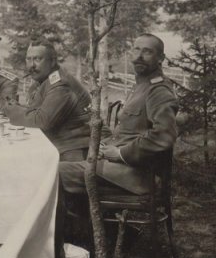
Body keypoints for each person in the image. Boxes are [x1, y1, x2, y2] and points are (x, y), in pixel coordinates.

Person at [60, 32, 179, 196]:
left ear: (161, 58)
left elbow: (164, 135)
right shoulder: (140, 86)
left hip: (134, 174)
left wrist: (120, 154)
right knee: (64, 156)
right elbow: (130, 132)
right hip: (116, 165)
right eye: (136, 50)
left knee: (53, 172)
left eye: (147, 51)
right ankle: (83, 213)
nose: (139, 56)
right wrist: (105, 145)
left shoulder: (158, 90)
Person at [4, 38, 91, 162]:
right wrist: (20, 108)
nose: (32, 65)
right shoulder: (43, 81)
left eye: (38, 59)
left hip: (73, 150)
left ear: (52, 61)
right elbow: (36, 110)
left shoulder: (60, 84)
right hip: (57, 144)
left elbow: (42, 121)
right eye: (28, 59)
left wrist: (13, 111)